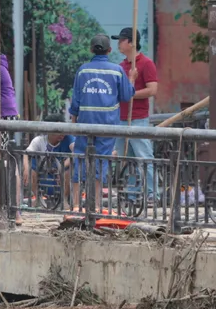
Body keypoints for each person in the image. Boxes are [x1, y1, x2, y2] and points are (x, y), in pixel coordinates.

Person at [69, 34, 135, 209]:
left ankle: (76, 204)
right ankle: (97, 206)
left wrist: (73, 122)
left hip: (85, 124)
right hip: (108, 125)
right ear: (110, 50)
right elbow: (127, 96)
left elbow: (75, 101)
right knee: (100, 161)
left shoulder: (83, 70)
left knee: (79, 160)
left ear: (91, 49)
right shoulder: (117, 70)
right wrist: (132, 80)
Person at [112, 27, 159, 201]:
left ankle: (153, 193)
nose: (118, 43)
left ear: (131, 43)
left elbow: (152, 89)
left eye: (121, 40)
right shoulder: (120, 66)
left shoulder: (146, 63)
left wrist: (130, 92)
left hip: (138, 118)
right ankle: (132, 194)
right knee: (127, 159)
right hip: (121, 118)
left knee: (144, 157)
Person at [22, 115, 75, 208]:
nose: (61, 134)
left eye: (63, 130)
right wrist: (26, 168)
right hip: (44, 179)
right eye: (57, 131)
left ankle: (64, 200)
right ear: (48, 130)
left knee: (71, 168)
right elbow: (26, 153)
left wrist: (61, 167)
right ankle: (38, 199)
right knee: (30, 168)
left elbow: (76, 151)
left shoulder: (68, 138)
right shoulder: (39, 140)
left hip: (62, 178)